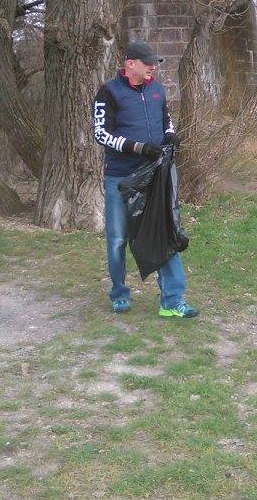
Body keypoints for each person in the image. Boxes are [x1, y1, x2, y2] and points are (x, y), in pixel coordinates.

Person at [93, 41, 199, 318]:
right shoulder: (109, 92)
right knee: (118, 239)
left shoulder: (156, 90)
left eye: (154, 63)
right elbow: (101, 134)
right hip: (120, 177)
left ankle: (172, 301)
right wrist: (138, 147)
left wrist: (170, 134)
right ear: (130, 64)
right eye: (148, 63)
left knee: (163, 234)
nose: (153, 67)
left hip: (153, 174)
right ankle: (119, 294)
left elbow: (166, 119)